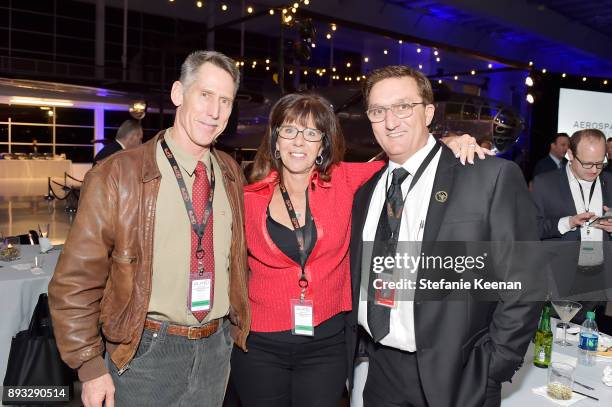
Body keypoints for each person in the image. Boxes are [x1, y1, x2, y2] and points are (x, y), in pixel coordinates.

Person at [230, 92, 489, 407]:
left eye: (311, 133)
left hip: (326, 345)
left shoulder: (344, 181)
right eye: (289, 130)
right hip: (259, 346)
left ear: (323, 144)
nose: (299, 141)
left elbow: (405, 154)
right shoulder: (247, 198)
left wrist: (449, 140)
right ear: (275, 140)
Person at [48, 50, 250, 407]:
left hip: (216, 351)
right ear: (177, 94)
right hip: (145, 352)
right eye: (204, 95)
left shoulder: (231, 173)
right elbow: (76, 278)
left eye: (225, 101)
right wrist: (90, 366)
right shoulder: (118, 175)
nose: (214, 111)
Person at [347, 65, 542, 407]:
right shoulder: (367, 192)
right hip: (381, 372)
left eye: (404, 106)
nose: (391, 121)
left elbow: (525, 279)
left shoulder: (487, 177)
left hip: (459, 376)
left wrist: (493, 366)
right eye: (379, 111)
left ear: (429, 112)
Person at [532, 129, 612, 322]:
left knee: (584, 343)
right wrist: (566, 222)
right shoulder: (545, 183)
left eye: (600, 163)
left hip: (597, 285)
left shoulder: (610, 182)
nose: (594, 170)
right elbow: (530, 227)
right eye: (587, 163)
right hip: (556, 283)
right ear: (570, 155)